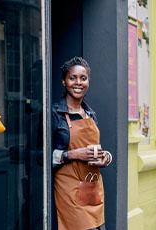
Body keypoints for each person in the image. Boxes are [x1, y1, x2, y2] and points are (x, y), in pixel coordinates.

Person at [52, 57, 112, 230]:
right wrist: (71, 154)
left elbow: (98, 149)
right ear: (64, 81)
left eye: (83, 78)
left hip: (92, 188)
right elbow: (38, 156)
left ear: (88, 82)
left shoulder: (90, 114)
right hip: (68, 191)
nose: (78, 82)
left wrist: (106, 158)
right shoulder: (54, 113)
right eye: (73, 78)